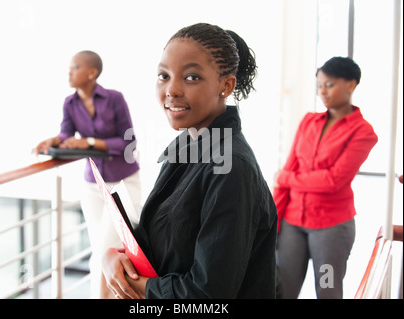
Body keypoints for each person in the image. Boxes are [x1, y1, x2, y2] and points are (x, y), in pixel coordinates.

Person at [101, 23, 277, 299]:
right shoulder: (185, 145)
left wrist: (140, 287)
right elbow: (166, 242)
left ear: (226, 85)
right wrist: (113, 257)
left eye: (192, 77)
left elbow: (208, 294)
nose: (171, 90)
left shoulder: (231, 168)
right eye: (163, 76)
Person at [34, 50, 141, 298]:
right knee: (99, 250)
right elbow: (66, 135)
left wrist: (89, 142)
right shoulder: (69, 104)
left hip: (123, 183)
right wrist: (54, 141)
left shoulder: (114, 98)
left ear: (91, 73)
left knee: (107, 251)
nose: (69, 72)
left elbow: (129, 143)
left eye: (75, 67)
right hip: (93, 184)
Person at [274, 56, 378, 299]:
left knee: (328, 289)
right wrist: (274, 218)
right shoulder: (308, 121)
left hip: (331, 229)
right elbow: (290, 167)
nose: (322, 91)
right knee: (281, 289)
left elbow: (333, 181)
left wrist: (287, 178)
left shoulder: (363, 132)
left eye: (329, 85)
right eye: (319, 85)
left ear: (351, 85)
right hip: (293, 223)